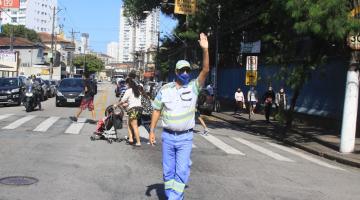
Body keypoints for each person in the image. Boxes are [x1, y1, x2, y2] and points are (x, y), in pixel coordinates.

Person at [149, 33, 209, 200]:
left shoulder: (193, 88)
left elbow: (205, 70)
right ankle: (172, 196)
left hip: (185, 138)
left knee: (181, 170)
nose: (185, 72)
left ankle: (175, 198)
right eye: (182, 70)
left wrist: (206, 50)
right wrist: (152, 131)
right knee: (168, 171)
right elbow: (156, 110)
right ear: (176, 72)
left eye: (187, 70)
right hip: (168, 137)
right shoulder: (165, 89)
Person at [116, 78, 142, 146]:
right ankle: (130, 139)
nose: (125, 85)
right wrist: (126, 104)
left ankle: (138, 142)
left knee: (134, 126)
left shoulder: (129, 91)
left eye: (126, 84)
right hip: (139, 109)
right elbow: (134, 101)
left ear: (128, 84)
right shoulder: (137, 90)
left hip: (133, 110)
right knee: (129, 124)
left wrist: (116, 105)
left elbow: (122, 100)